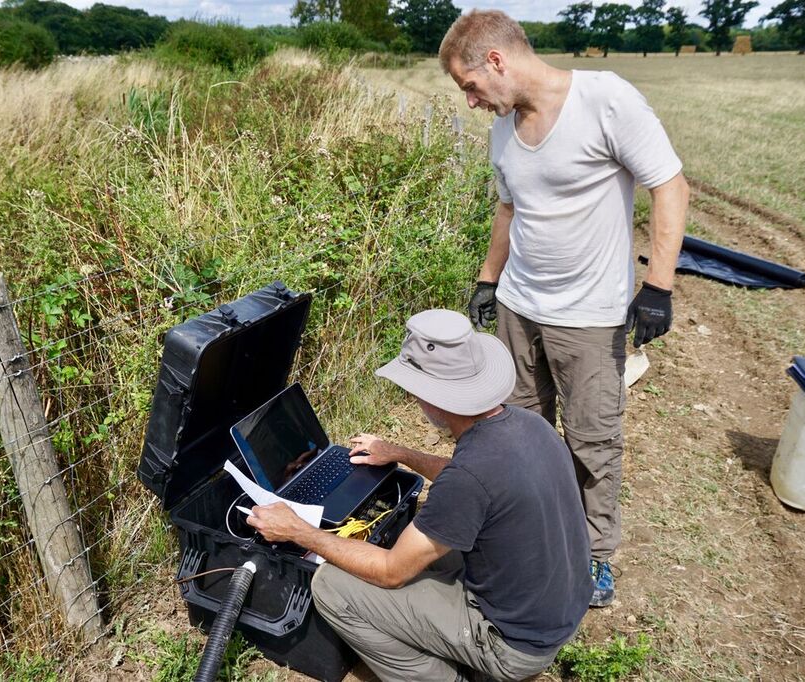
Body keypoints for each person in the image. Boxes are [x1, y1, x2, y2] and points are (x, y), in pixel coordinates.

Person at [440, 9, 690, 606]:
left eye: (470, 86)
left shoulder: (605, 99)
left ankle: (594, 555)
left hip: (589, 316)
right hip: (519, 307)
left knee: (592, 441)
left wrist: (657, 286)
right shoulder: (504, 126)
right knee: (519, 431)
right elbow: (509, 207)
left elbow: (669, 185)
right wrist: (487, 278)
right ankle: (529, 533)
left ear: (496, 61)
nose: (471, 102)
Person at [246, 309, 592, 682]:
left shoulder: (469, 476)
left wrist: (298, 531)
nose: (412, 398)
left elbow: (392, 572)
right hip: (558, 608)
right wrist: (401, 454)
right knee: (425, 543)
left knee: (331, 585)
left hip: (514, 644)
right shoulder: (529, 425)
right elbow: (475, 482)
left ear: (433, 398)